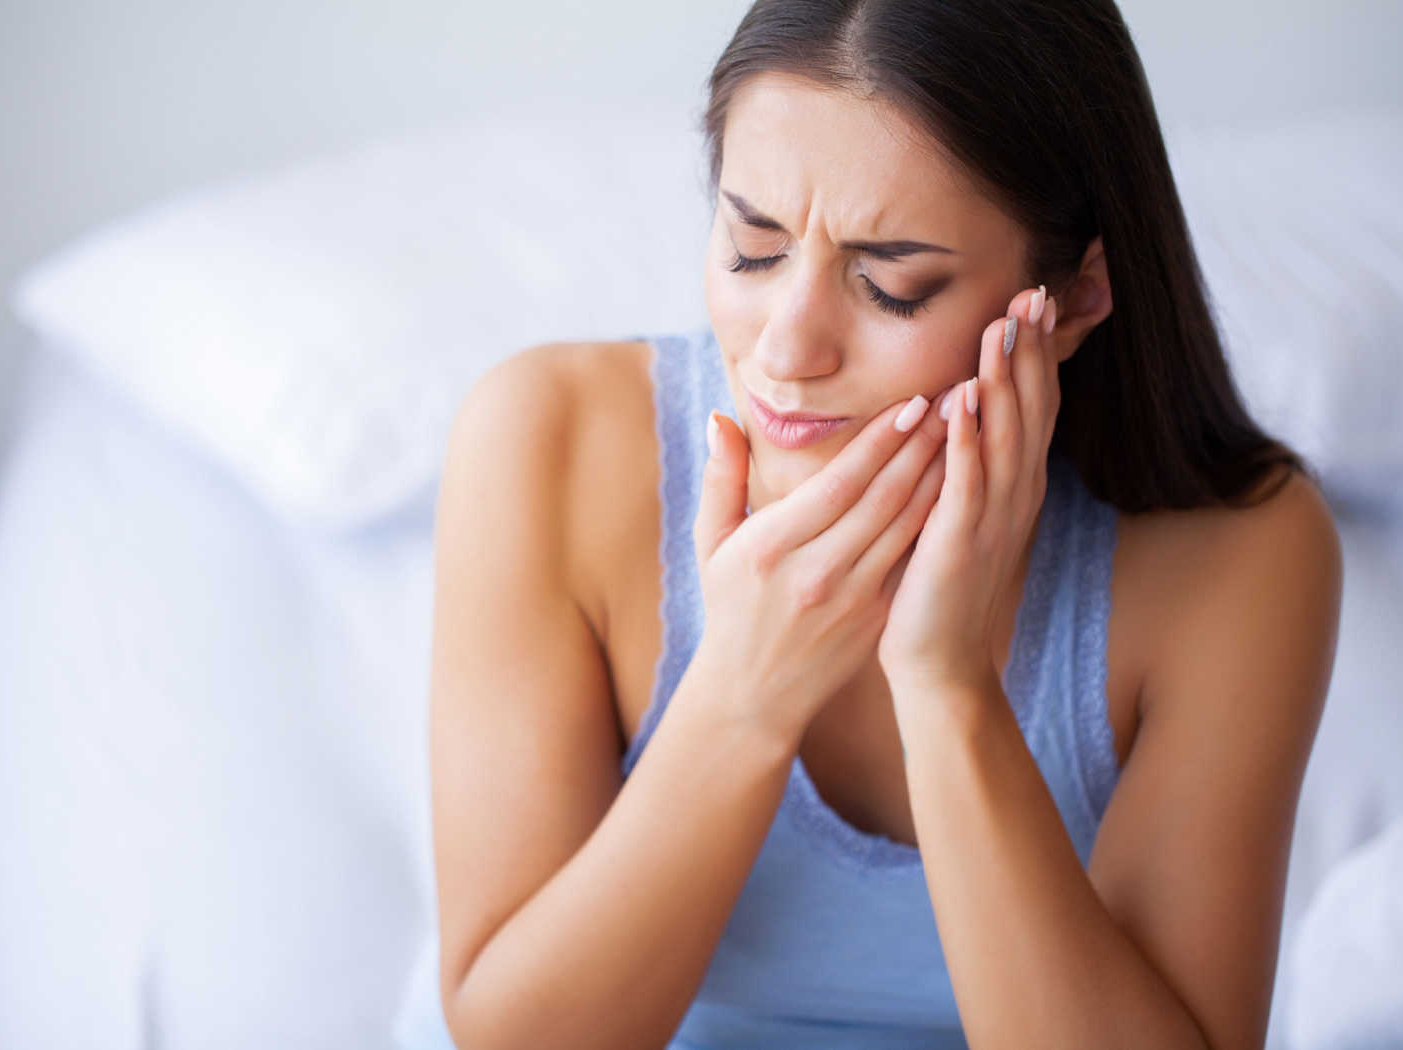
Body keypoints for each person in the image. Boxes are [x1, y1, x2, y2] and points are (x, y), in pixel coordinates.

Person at [415, 1, 1343, 1047]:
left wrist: (948, 688)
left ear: (1075, 295)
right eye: (753, 249)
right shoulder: (546, 441)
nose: (788, 348)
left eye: (890, 285)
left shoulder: (1240, 552)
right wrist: (746, 694)